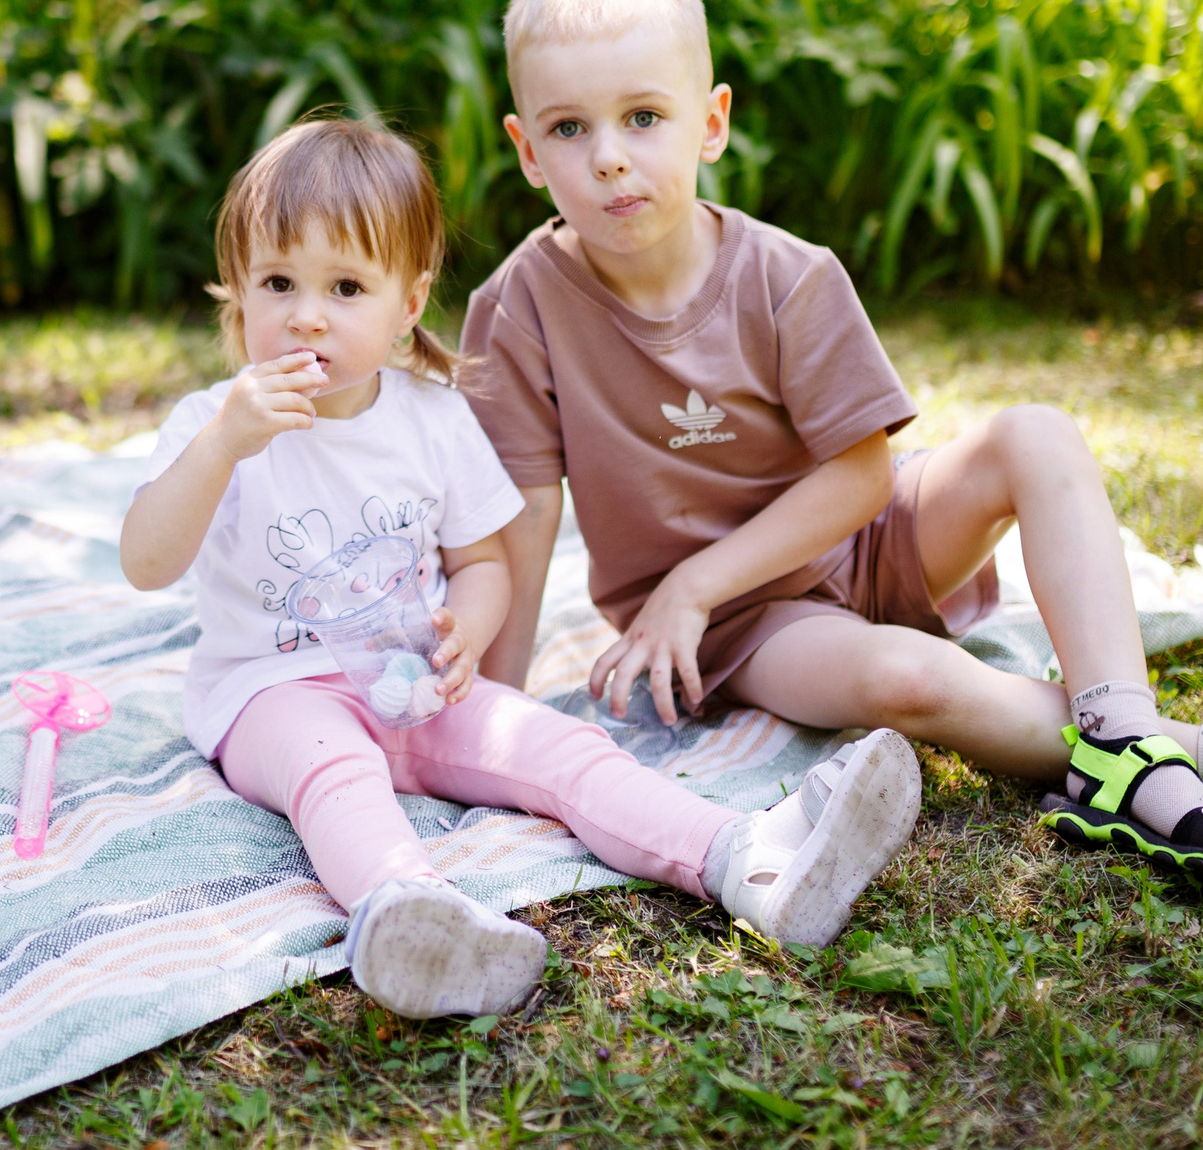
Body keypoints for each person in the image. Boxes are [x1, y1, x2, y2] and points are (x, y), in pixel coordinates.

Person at [120, 117, 924, 1022]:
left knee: (555, 744)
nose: (306, 314)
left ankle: (748, 860)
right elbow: (148, 561)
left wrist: (466, 621)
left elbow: (482, 562)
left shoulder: (430, 417)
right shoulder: (214, 421)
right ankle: (406, 911)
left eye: (346, 286)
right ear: (238, 289)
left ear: (409, 301)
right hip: (273, 691)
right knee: (331, 764)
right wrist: (225, 443)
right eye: (278, 283)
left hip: (411, 680)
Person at [461, 0, 1203, 876]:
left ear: (710, 122)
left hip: (870, 535)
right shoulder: (519, 307)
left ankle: (1124, 731)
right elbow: (525, 515)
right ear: (527, 149)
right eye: (569, 129)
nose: (609, 157)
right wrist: (491, 714)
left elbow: (862, 474)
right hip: (746, 620)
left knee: (1036, 433)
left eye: (643, 116)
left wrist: (690, 584)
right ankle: (1157, 749)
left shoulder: (786, 274)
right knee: (905, 677)